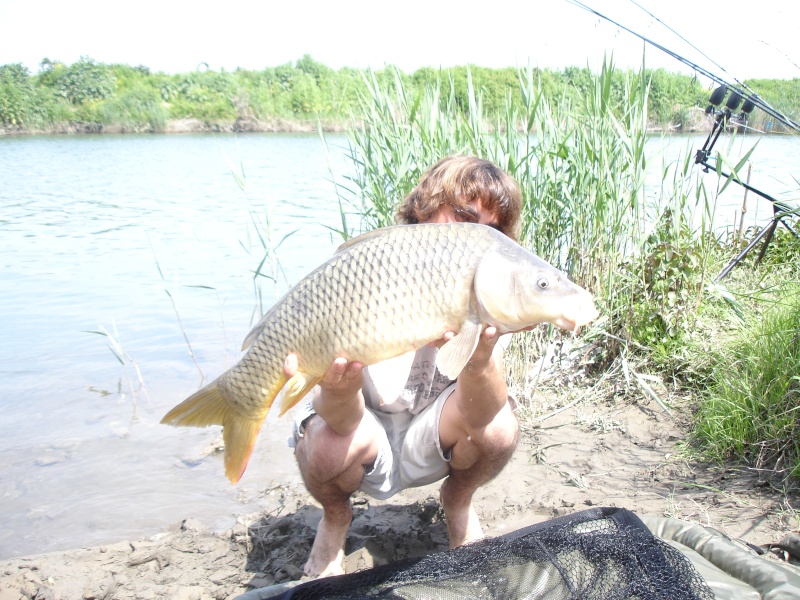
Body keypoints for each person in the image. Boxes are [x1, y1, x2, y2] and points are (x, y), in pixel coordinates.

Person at [284, 155, 524, 578]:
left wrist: (480, 359)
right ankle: (335, 518)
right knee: (323, 444)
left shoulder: (492, 293)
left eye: (491, 231)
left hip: (433, 435)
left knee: (501, 427)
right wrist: (339, 389)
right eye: (465, 218)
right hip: (359, 429)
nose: (476, 238)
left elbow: (483, 413)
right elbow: (340, 419)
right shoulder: (375, 265)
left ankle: (459, 501)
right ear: (424, 209)